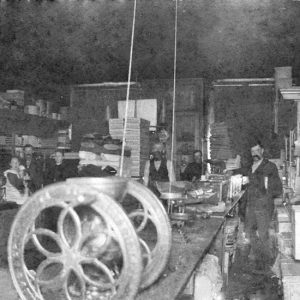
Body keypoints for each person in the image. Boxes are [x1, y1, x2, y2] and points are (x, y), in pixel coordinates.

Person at [242, 140, 282, 271]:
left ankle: (266, 264)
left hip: (263, 205)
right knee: (250, 231)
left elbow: (277, 187)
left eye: (257, 151)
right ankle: (258, 257)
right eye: (252, 151)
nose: (255, 153)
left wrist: (267, 194)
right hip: (250, 204)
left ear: (262, 151)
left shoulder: (270, 166)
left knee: (263, 234)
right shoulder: (250, 166)